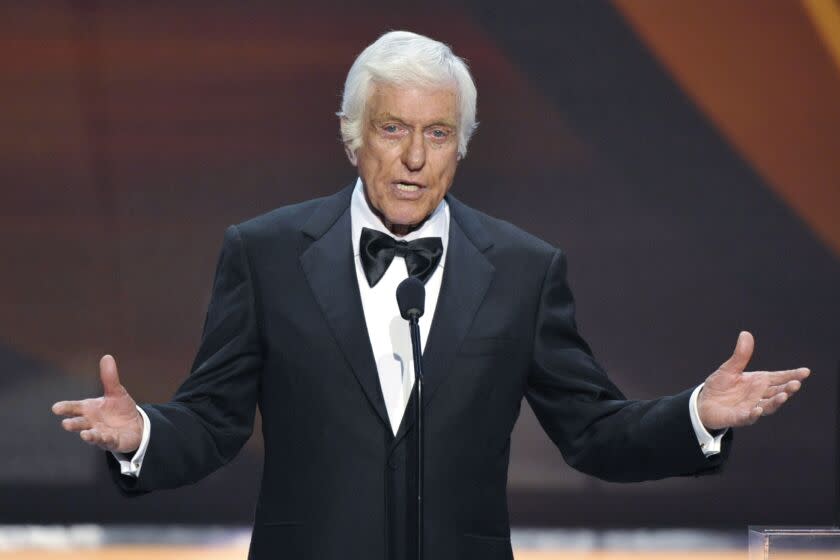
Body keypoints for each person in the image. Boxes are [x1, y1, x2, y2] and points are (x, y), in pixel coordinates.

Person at [52, 31, 810, 560]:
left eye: (439, 133)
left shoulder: (521, 269)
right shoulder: (267, 255)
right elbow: (213, 424)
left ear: (463, 143)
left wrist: (695, 417)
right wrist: (142, 433)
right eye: (393, 129)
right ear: (354, 136)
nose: (415, 158)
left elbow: (593, 432)